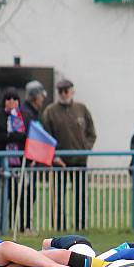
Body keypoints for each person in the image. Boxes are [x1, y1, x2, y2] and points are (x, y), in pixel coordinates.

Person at [41, 79, 97, 230]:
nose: (63, 94)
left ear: (72, 91)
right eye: (60, 91)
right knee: (58, 196)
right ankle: (59, 226)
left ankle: (81, 225)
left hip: (79, 160)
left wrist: (86, 148)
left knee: (80, 195)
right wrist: (54, 156)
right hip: (59, 161)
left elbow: (91, 133)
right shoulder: (50, 111)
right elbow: (46, 136)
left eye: (66, 91)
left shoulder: (81, 109)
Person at [0, 87, 34, 231]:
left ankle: (24, 225)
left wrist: (22, 139)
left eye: (14, 98)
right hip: (2, 162)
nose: (11, 101)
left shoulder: (26, 115)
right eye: (8, 98)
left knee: (23, 195)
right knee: (5, 196)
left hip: (21, 162)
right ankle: (5, 226)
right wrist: (7, 137)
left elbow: (32, 134)